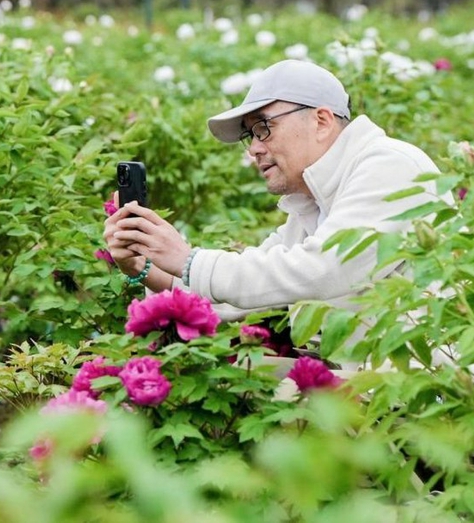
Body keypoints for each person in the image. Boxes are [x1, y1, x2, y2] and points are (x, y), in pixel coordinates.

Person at [104, 59, 451, 369]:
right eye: (250, 135)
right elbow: (240, 297)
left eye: (263, 128)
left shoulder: (390, 165)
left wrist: (187, 259)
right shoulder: (311, 204)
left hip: (432, 395)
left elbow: (320, 270)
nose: (254, 149)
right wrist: (145, 267)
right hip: (371, 386)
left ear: (321, 121)